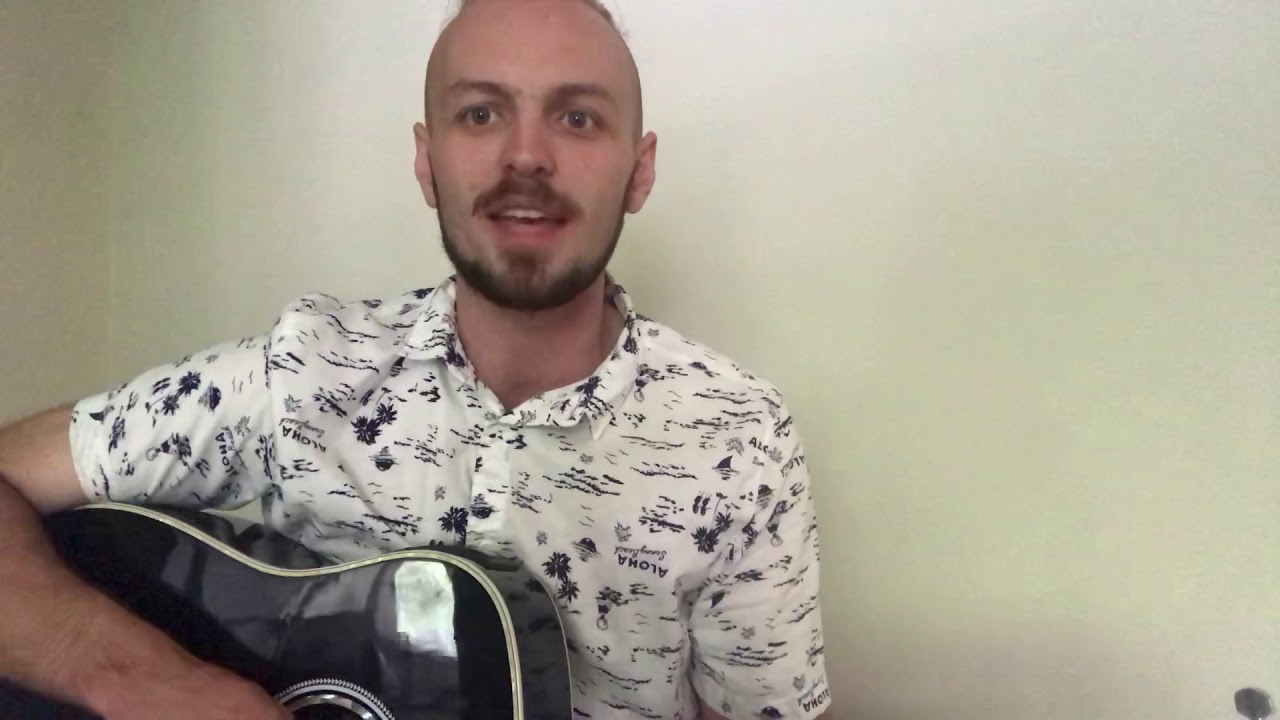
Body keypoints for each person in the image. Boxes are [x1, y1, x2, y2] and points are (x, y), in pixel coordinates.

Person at [0, 0, 832, 717]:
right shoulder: (302, 371)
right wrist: (136, 677)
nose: (526, 156)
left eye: (577, 117)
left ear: (639, 172)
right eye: (481, 113)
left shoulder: (738, 436)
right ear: (426, 161)